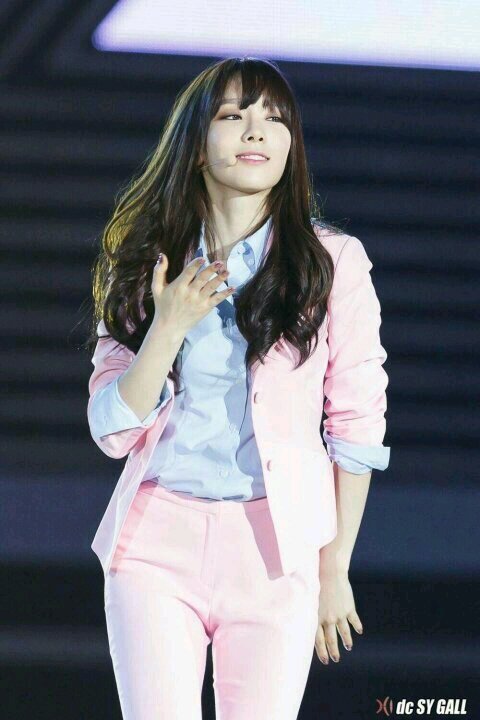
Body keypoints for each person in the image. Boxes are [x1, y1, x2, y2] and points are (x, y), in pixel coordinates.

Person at [85, 56, 390, 720]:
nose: (256, 131)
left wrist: (334, 568)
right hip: (155, 546)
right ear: (197, 145)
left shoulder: (333, 262)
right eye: (233, 115)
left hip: (276, 552)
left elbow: (357, 427)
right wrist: (167, 326)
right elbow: (110, 431)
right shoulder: (143, 258)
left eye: (274, 119)